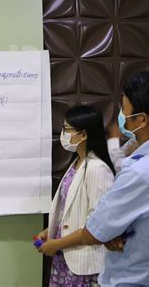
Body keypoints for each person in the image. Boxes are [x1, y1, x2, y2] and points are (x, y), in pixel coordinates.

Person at [39, 68, 149, 286]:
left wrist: (106, 233)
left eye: (124, 108)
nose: (121, 115)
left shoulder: (140, 172)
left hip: (134, 278)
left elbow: (96, 229)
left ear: (142, 119)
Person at [36, 105, 115, 286]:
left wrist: (57, 244)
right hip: (65, 259)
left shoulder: (97, 169)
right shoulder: (77, 163)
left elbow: (96, 225)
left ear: (84, 134)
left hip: (83, 264)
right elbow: (70, 210)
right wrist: (51, 231)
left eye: (67, 129)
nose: (63, 134)